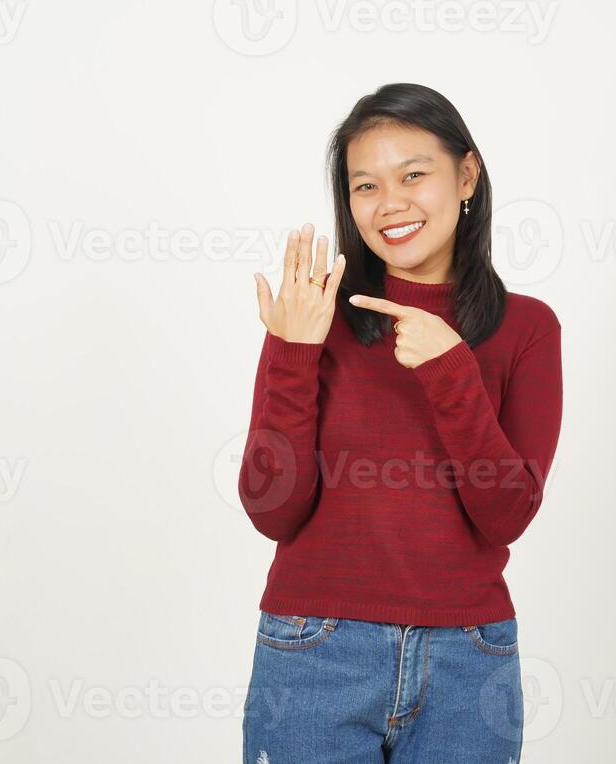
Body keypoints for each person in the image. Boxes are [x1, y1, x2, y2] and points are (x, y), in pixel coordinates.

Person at [238, 82, 564, 762]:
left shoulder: (527, 328)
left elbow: (505, 515)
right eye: (365, 186)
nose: (390, 204)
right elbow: (273, 510)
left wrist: (452, 373)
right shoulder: (312, 315)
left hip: (467, 659)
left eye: (413, 175)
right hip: (313, 650)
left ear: (466, 174)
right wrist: (295, 352)